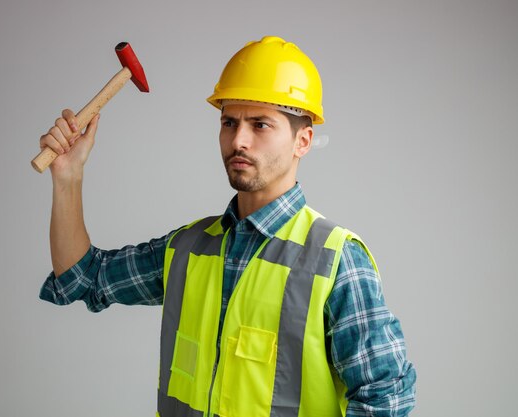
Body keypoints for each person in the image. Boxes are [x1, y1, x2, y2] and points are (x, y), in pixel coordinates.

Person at [38, 36, 416, 417]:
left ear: (303, 141)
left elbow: (386, 400)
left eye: (260, 124)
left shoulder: (336, 261)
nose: (239, 140)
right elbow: (81, 278)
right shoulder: (186, 248)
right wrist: (68, 178)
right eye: (229, 122)